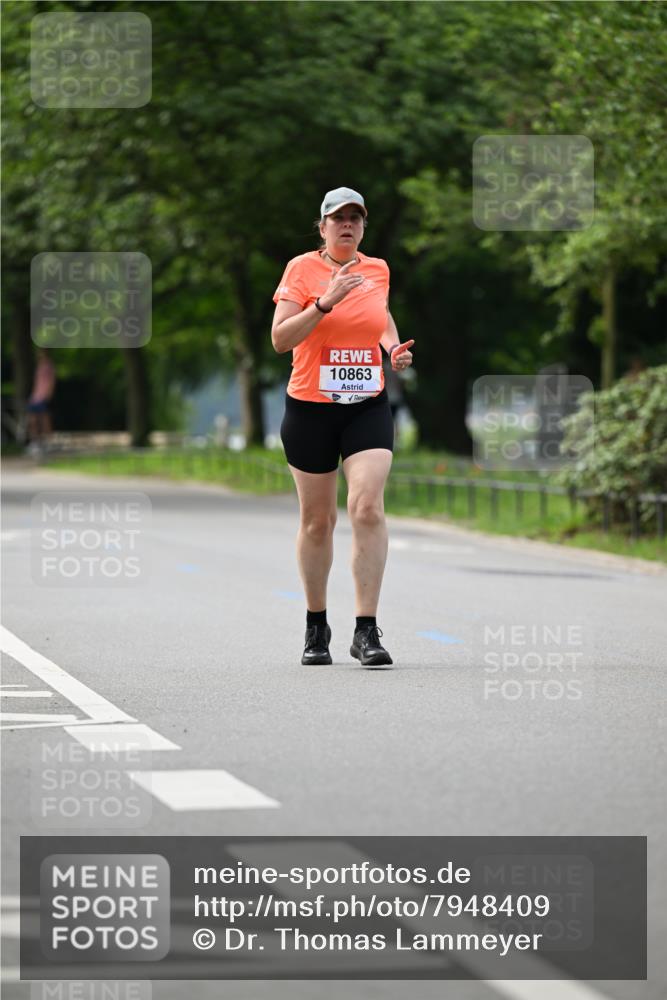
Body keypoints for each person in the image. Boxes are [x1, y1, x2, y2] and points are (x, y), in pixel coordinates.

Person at [271, 186, 414, 666]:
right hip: (310, 407)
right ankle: (316, 626)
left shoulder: (377, 270)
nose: (347, 224)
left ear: (363, 226)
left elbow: (381, 316)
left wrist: (392, 347)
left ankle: (366, 630)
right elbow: (279, 339)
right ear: (323, 226)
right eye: (338, 218)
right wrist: (324, 303)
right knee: (318, 522)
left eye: (356, 217)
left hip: (365, 405)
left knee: (367, 507)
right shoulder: (300, 269)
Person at [26, 348, 56, 451]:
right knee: (32, 420)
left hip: (43, 397)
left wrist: (48, 394)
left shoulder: (49, 365)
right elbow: (36, 382)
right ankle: (35, 443)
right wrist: (33, 395)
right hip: (35, 397)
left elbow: (52, 381)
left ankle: (48, 442)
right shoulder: (39, 366)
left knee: (44, 420)